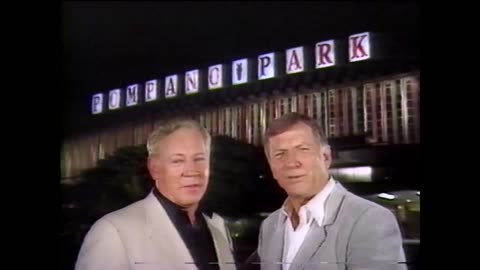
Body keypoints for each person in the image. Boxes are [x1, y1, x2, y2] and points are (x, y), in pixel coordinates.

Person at [75, 118, 236, 270]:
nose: (192, 171)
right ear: (154, 169)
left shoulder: (218, 229)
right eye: (177, 161)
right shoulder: (113, 231)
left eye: (199, 159)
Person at [256, 113, 406, 270]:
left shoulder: (370, 220)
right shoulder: (269, 226)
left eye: (303, 149)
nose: (292, 162)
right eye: (280, 154)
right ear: (272, 167)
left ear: (326, 157)